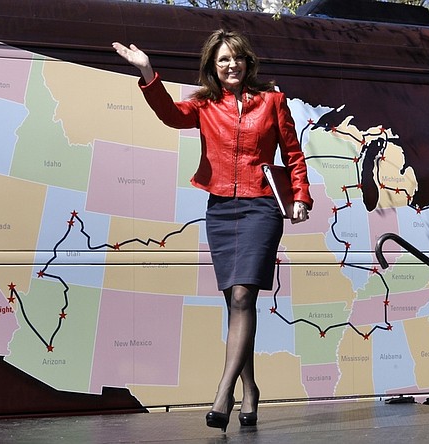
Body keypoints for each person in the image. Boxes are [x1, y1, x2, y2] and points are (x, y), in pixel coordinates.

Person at [112, 29, 313, 432]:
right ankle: (251, 388)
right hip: (221, 208)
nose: (231, 65)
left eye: (236, 58)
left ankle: (223, 391)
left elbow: (293, 154)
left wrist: (301, 198)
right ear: (213, 67)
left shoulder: (272, 101)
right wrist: (148, 71)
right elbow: (169, 115)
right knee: (236, 303)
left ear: (247, 62)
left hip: (261, 207)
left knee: (243, 295)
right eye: (222, 60)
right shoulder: (204, 104)